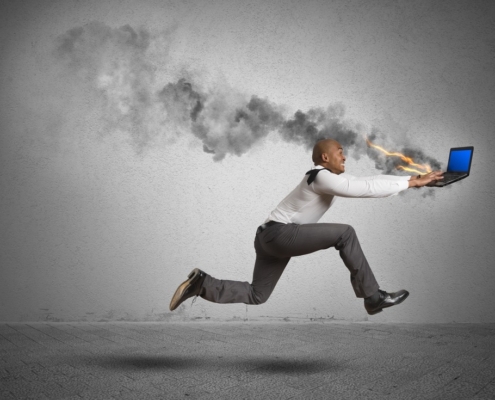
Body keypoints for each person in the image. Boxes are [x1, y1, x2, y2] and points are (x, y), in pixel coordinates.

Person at [169, 139, 443, 315]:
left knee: (258, 294)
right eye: (340, 153)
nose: (344, 157)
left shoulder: (322, 178)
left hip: (267, 237)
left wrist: (415, 179)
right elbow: (363, 188)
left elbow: (367, 181)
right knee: (345, 233)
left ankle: (201, 284)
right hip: (279, 234)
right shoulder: (321, 176)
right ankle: (373, 297)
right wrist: (413, 182)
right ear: (325, 158)